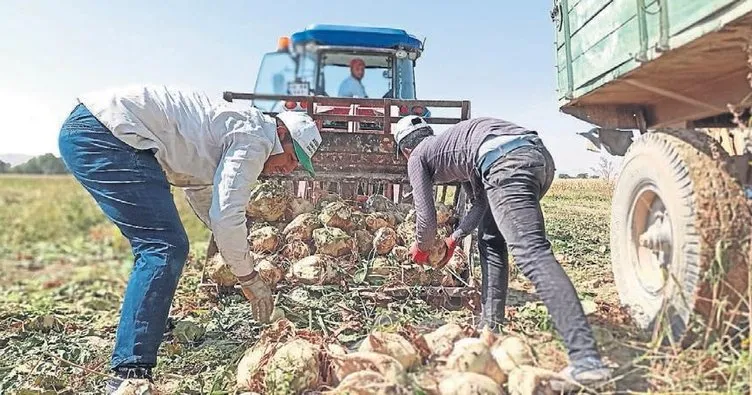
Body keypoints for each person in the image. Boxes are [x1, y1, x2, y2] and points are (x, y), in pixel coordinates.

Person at [57, 84, 322, 394]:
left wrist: (228, 238)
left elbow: (200, 192)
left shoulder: (242, 127)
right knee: (165, 246)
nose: (288, 169)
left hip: (101, 128)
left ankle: (149, 325)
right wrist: (249, 278)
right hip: (106, 134)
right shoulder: (257, 138)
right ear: (281, 132)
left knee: (162, 242)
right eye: (292, 158)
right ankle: (129, 370)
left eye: (297, 166)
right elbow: (225, 216)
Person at [392, 115, 612, 391]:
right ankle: (491, 328)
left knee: (531, 252)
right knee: (491, 239)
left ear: (405, 149)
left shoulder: (417, 157)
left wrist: (421, 247)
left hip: (505, 163)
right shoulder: (455, 147)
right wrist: (455, 239)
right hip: (537, 157)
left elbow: (426, 219)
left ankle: (587, 361)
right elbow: (481, 202)